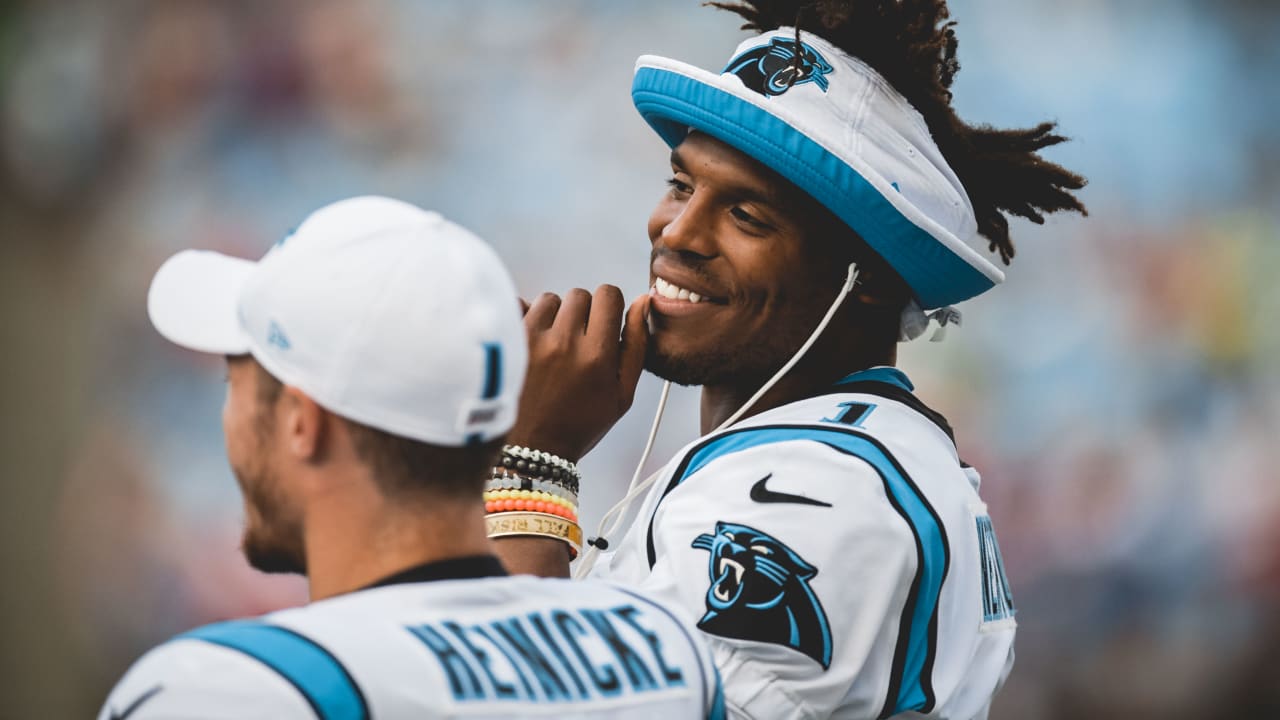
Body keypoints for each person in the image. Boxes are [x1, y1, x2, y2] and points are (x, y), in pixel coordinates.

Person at [493, 2, 1087, 719]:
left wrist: (532, 466)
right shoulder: (815, 458)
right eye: (681, 184)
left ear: (868, 282)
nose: (676, 231)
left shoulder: (824, 495)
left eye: (747, 215)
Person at [99, 196, 725, 720]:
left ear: (300, 423)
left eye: (233, 385)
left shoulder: (218, 692)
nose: (227, 419)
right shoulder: (665, 660)